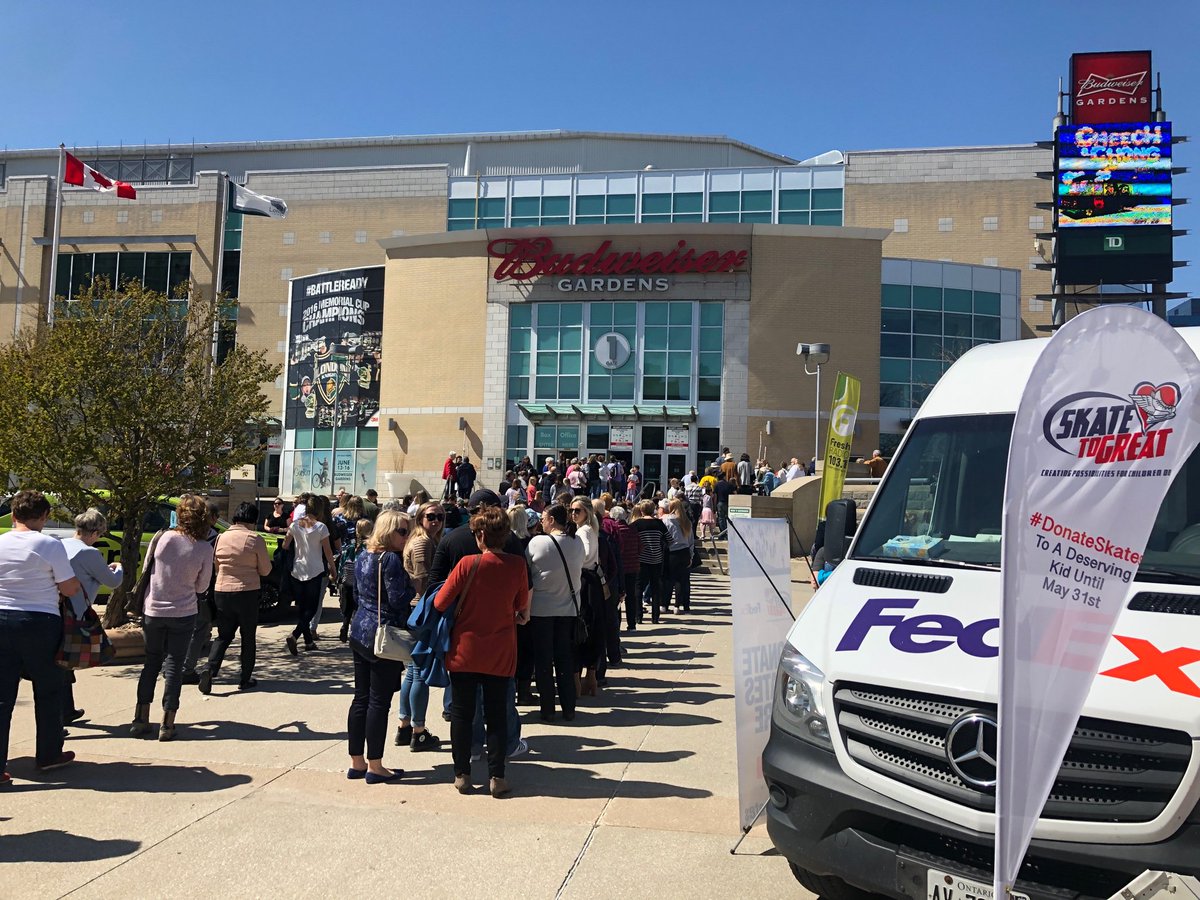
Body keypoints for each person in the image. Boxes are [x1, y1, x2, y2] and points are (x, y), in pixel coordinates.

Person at [436, 507, 529, 797]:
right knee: (497, 714)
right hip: (500, 649)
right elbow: (521, 609)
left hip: (465, 648)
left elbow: (440, 603)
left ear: (480, 535)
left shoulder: (466, 564)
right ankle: (497, 777)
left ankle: (462, 773)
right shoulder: (516, 566)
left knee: (462, 714)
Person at [0, 490, 84, 779]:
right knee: (49, 689)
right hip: (38, 621)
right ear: (45, 516)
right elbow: (70, 587)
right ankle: (48, 754)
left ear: (13, 515)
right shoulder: (49, 545)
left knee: (2, 696)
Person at [133, 494, 214, 741]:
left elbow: (147, 568)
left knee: (151, 662)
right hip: (184, 611)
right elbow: (202, 587)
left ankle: (140, 718)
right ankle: (167, 723)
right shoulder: (204, 548)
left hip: (154, 609)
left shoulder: (162, 538)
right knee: (174, 667)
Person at [346, 510, 415, 784]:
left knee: (360, 697)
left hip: (360, 630)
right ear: (388, 531)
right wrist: (412, 588)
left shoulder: (364, 555)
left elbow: (354, 592)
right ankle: (376, 765)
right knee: (378, 701)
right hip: (382, 636)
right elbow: (398, 599)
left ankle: (357, 761)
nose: (406, 536)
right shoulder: (391, 561)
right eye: (401, 531)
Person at [199, 501, 272, 693]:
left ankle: (210, 669)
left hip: (222, 590)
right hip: (247, 592)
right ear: (253, 519)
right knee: (248, 637)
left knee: (223, 636)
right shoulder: (255, 539)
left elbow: (216, 565)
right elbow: (265, 570)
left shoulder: (221, 538)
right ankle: (245, 678)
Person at [60, 509, 124, 723]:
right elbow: (113, 581)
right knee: (66, 659)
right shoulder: (89, 553)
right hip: (76, 611)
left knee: (62, 659)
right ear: (95, 532)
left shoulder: (61, 545)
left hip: (57, 608)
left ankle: (67, 709)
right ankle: (62, 713)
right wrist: (119, 568)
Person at [527, 505, 584, 722]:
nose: (541, 522)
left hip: (541, 609)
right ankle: (569, 707)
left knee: (543, 661)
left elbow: (528, 570)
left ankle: (548, 707)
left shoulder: (537, 542)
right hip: (569, 608)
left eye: (543, 518)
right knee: (565, 659)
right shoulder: (577, 542)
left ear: (551, 520)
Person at [397, 500, 445, 751]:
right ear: (420, 519)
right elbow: (422, 579)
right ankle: (418, 730)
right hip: (421, 610)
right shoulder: (423, 542)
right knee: (419, 673)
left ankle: (405, 726)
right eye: (430, 516)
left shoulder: (423, 540)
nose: (435, 521)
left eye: (439, 516)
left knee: (413, 672)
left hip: (417, 609)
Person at [282, 502, 335, 656]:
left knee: (302, 607)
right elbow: (328, 551)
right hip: (315, 569)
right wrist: (333, 568)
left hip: (297, 569)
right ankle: (296, 634)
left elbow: (286, 545)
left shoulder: (294, 525)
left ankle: (308, 642)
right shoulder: (321, 527)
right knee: (311, 608)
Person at [630, 500, 668, 624]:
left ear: (641, 510)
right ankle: (655, 617)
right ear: (653, 510)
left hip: (641, 559)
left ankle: (638, 616)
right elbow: (670, 540)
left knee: (638, 587)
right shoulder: (659, 523)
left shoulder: (636, 524)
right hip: (656, 559)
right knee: (655, 587)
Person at [608, 506, 642, 632]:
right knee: (631, 596)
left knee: (616, 597)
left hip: (618, 568)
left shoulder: (613, 531)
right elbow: (640, 547)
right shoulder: (633, 529)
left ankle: (617, 624)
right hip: (633, 566)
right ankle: (632, 624)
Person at [338, 518, 371, 643]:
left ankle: (345, 626)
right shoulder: (369, 547)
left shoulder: (350, 545)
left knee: (348, 608)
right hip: (362, 582)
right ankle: (355, 632)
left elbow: (342, 562)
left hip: (348, 581)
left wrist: (340, 577)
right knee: (358, 608)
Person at [662, 498, 694, 614]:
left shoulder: (665, 520)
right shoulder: (687, 521)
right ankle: (680, 605)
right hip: (684, 551)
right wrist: (691, 555)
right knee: (683, 581)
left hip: (671, 552)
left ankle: (665, 604)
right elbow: (691, 541)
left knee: (668, 579)